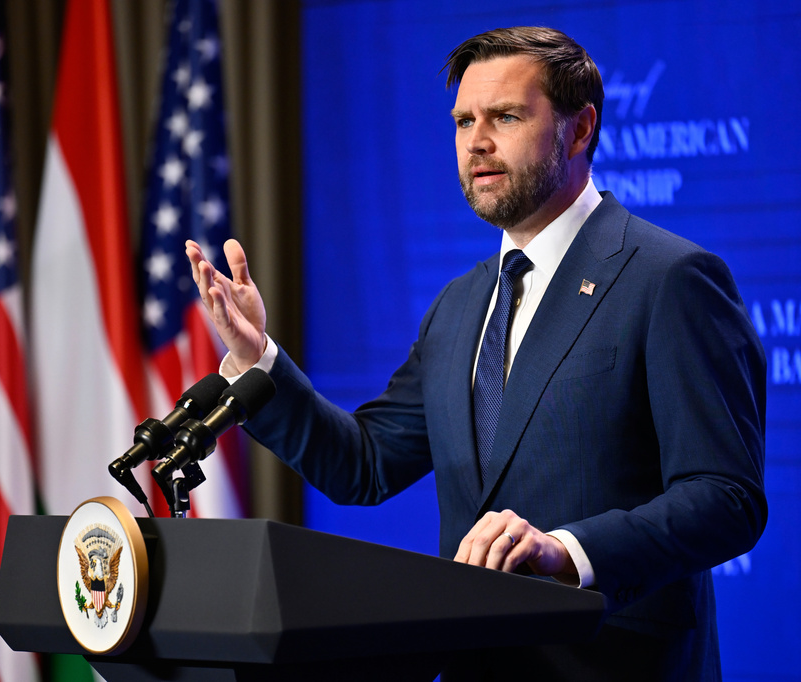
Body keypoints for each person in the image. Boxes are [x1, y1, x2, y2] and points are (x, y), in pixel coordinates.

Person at [186, 26, 766, 681]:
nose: (477, 142)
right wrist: (260, 357)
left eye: (506, 117)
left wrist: (567, 552)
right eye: (463, 121)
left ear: (579, 131)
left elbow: (725, 498)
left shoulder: (670, 278)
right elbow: (364, 465)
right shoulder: (460, 306)